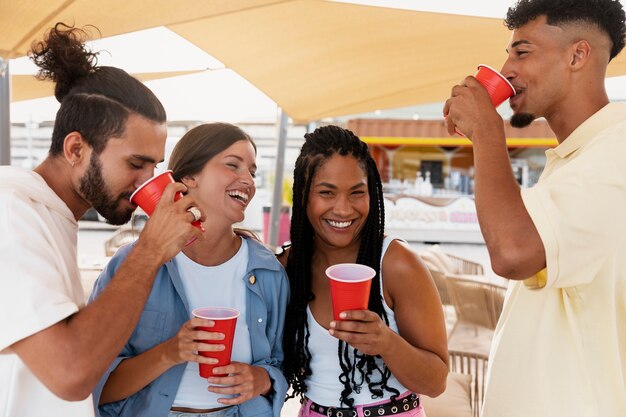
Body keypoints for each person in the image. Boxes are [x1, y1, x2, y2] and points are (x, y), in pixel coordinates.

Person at [0, 23, 205, 417]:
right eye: (135, 164)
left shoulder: (50, 214)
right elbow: (71, 372)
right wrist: (150, 250)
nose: (149, 182)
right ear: (76, 148)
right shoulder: (12, 211)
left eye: (155, 167)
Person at [443, 0, 626, 415]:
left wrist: (489, 132)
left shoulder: (617, 151)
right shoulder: (577, 159)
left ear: (578, 55)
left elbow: (513, 252)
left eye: (521, 52)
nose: (506, 68)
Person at [89, 123, 289, 417]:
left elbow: (280, 365)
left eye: (252, 172)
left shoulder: (268, 271)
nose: (247, 180)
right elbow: (93, 384)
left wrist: (261, 379)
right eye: (233, 165)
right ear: (189, 178)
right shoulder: (134, 264)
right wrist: (170, 353)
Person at [278, 125, 448, 417]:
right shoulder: (288, 265)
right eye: (326, 193)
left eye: (357, 193)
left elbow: (435, 382)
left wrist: (386, 342)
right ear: (304, 195)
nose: (343, 210)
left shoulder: (396, 264)